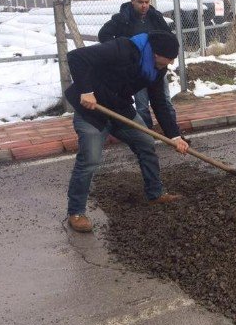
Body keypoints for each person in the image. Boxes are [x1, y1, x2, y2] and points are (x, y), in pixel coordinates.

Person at [65, 30, 189, 233]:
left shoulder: (157, 69)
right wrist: (86, 91)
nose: (165, 66)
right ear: (155, 53)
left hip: (120, 108)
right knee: (90, 159)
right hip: (93, 111)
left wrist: (174, 135)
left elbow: (159, 102)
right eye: (164, 61)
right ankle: (76, 212)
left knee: (146, 143)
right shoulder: (122, 49)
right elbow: (76, 57)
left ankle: (155, 193)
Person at [98, 0, 177, 130]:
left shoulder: (156, 17)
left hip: (157, 67)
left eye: (147, 2)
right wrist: (120, 52)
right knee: (142, 104)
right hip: (136, 69)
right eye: (140, 2)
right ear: (132, 1)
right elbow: (103, 35)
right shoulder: (122, 18)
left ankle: (174, 133)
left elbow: (169, 37)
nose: (144, 5)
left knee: (164, 101)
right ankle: (146, 135)